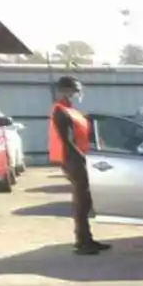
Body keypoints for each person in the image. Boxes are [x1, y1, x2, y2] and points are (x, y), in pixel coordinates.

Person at [48, 75, 108, 255]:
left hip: (78, 158)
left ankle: (86, 238)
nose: (78, 93)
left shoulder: (71, 110)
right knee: (82, 201)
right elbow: (65, 140)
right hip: (72, 160)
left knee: (85, 200)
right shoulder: (60, 111)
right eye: (75, 90)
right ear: (65, 91)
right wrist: (82, 158)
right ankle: (82, 242)